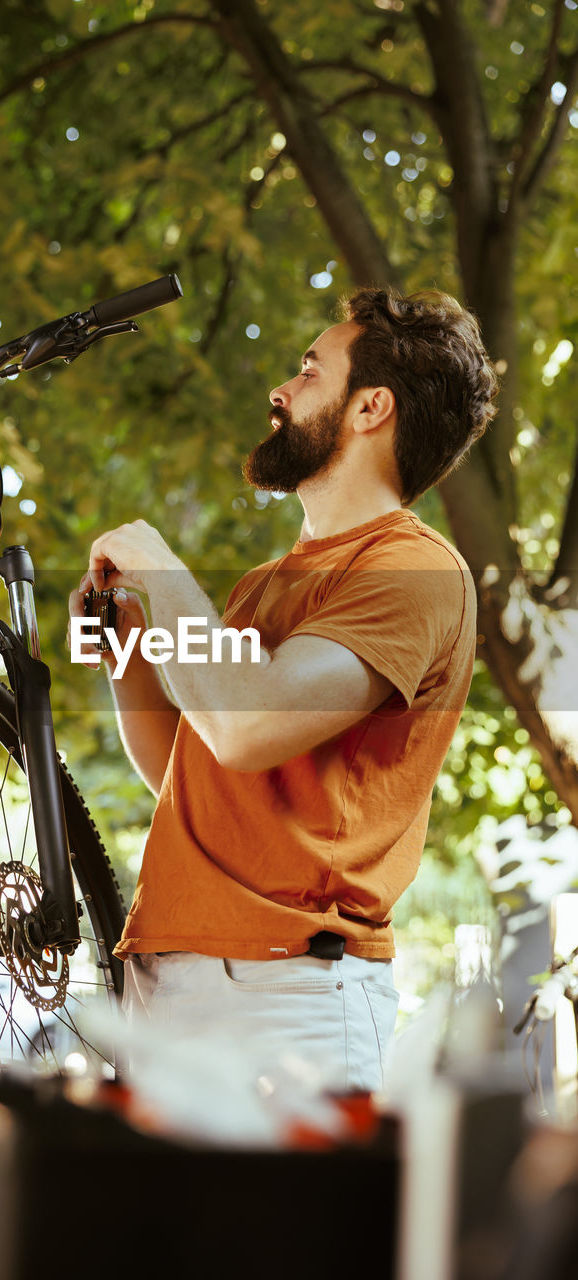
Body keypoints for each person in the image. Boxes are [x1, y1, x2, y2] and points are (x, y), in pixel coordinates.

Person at [69, 287, 498, 1094]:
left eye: (308, 370)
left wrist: (162, 571)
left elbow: (248, 723)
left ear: (370, 406)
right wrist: (131, 644)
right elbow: (187, 776)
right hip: (166, 981)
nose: (281, 390)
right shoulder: (263, 586)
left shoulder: (414, 570)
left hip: (287, 998)